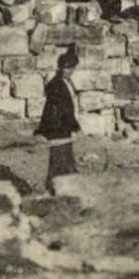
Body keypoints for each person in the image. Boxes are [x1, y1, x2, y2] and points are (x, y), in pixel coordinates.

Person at [34, 47, 81, 193]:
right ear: (60, 67)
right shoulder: (56, 84)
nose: (68, 71)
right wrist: (74, 127)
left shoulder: (66, 82)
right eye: (65, 68)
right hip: (59, 128)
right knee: (60, 160)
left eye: (70, 68)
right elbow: (58, 110)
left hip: (63, 128)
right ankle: (56, 189)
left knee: (64, 159)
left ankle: (64, 187)